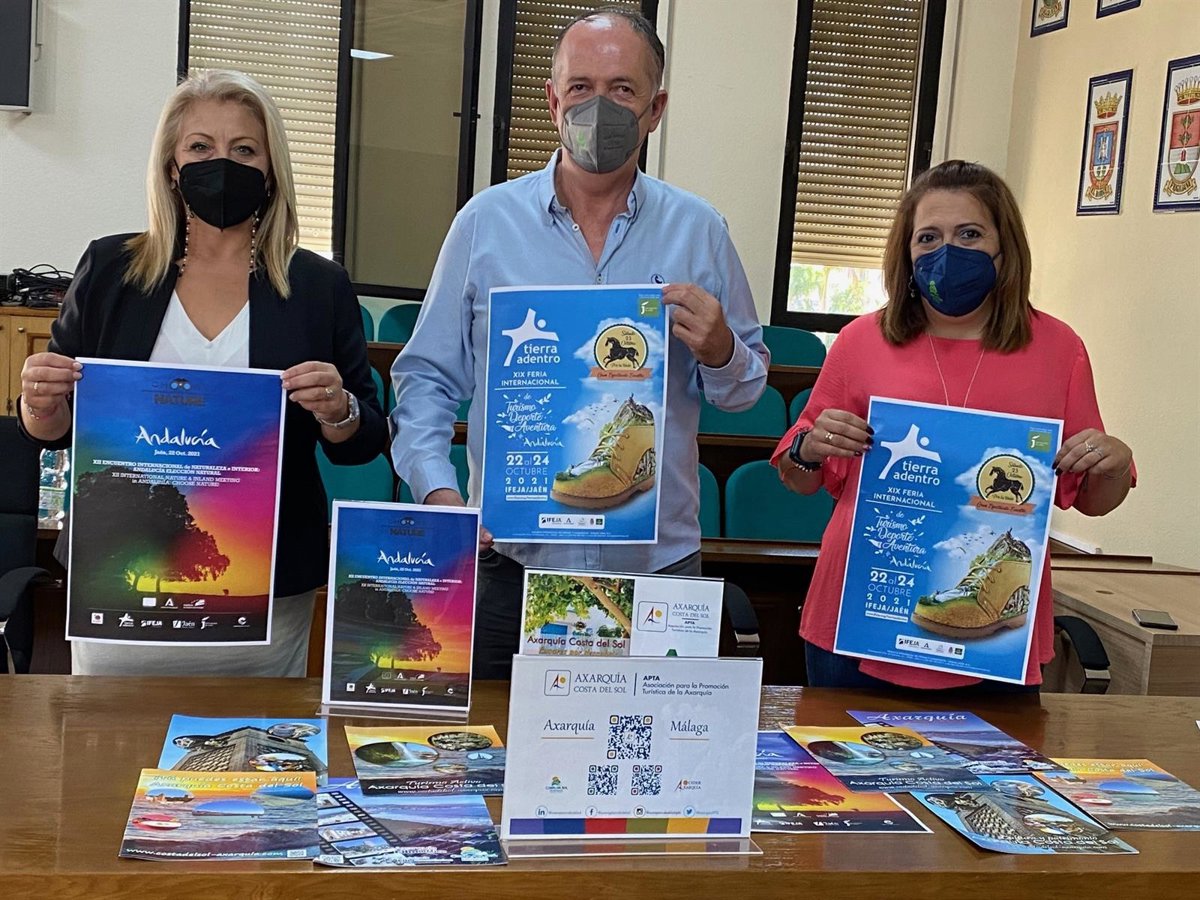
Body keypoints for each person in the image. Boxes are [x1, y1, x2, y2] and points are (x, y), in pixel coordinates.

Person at [391, 7, 769, 678]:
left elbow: (744, 391)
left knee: (652, 745)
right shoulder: (484, 225)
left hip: (658, 576)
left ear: (655, 109)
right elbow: (426, 380)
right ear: (553, 101)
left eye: (622, 89)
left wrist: (721, 352)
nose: (600, 106)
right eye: (581, 87)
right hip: (509, 569)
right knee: (496, 743)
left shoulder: (700, 230)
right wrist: (438, 496)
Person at [18, 70, 388, 676]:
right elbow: (55, 429)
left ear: (271, 170)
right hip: (121, 577)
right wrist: (40, 402)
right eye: (200, 147)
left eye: (244, 150)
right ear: (171, 166)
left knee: (253, 737)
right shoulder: (111, 268)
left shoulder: (317, 286)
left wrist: (338, 409)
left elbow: (364, 439)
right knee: (111, 735)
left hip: (263, 591)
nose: (222, 164)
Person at [772, 159, 1134, 691]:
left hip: (995, 633)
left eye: (969, 234)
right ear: (906, 252)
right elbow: (797, 475)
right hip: (860, 614)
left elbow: (1092, 499)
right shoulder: (859, 342)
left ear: (1004, 247)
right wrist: (808, 448)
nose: (948, 251)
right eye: (928, 237)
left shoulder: (1060, 350)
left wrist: (1115, 463)